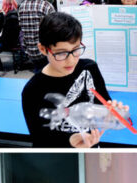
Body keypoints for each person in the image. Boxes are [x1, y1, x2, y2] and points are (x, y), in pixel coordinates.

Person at [21, 12, 129, 148]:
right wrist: (71, 141)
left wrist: (111, 114)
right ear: (43, 49)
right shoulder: (33, 90)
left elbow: (102, 106)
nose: (71, 60)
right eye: (61, 53)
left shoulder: (89, 68)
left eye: (76, 49)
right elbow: (40, 140)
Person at [18, 0, 55, 73]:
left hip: (30, 51)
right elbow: (55, 28)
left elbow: (21, 28)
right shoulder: (46, 6)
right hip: (45, 51)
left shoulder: (22, 6)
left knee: (38, 72)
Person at [0, 0, 19, 76]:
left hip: (9, 42)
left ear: (6, 5)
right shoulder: (12, 15)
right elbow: (1, 29)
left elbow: (6, 35)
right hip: (10, 40)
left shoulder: (11, 18)